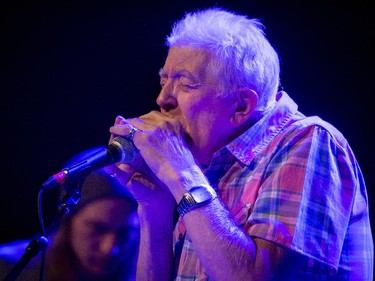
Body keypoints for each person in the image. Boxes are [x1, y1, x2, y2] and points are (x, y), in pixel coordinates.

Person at [104, 7, 374, 281]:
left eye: (184, 84)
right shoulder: (208, 167)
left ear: (242, 106)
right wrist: (155, 205)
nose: (163, 99)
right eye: (164, 82)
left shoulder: (309, 142)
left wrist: (182, 172)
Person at [0, 166, 139, 281]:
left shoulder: (143, 274)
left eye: (125, 234)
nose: (109, 249)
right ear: (67, 221)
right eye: (98, 229)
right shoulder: (9, 269)